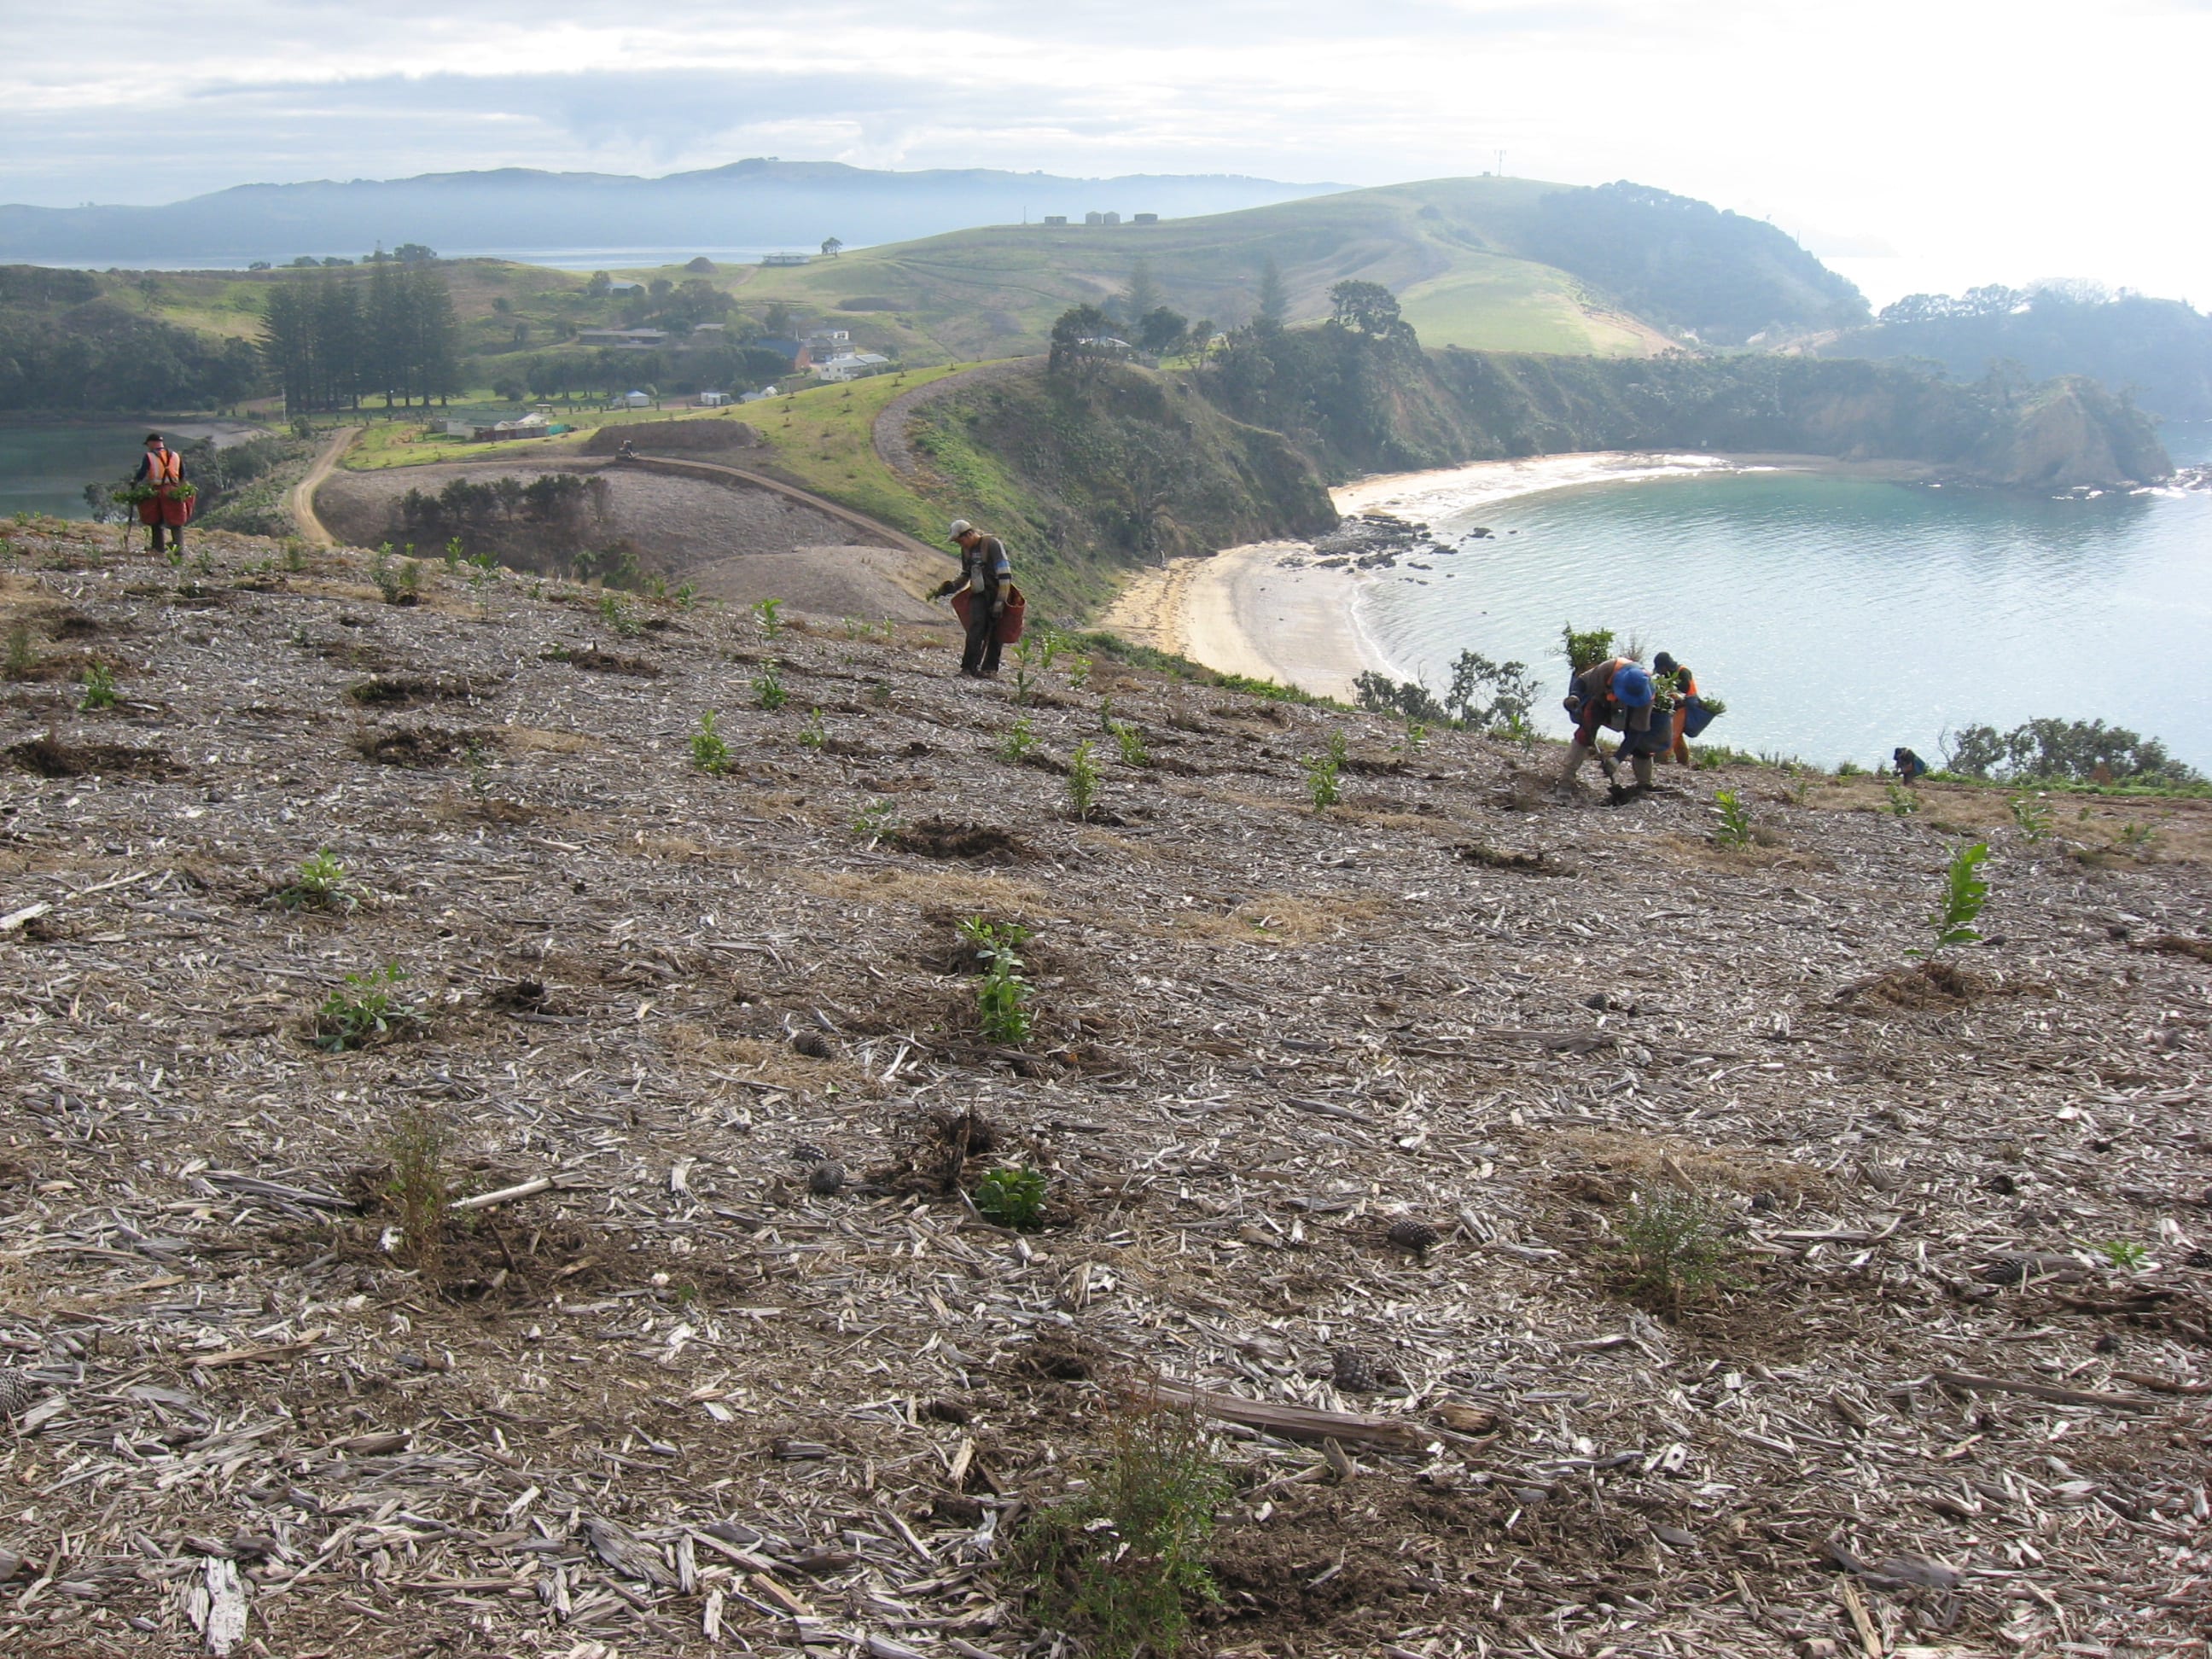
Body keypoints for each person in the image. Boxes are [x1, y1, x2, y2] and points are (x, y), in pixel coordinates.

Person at [1557, 655, 1663, 794]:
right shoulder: (1609, 669)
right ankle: (1566, 781)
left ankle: (1644, 785)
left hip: (1631, 711)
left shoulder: (1647, 697)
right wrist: (1574, 696)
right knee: (1585, 734)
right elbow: (1581, 682)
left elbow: (1636, 731)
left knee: (1641, 745)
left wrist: (1617, 759)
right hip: (1601, 702)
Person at [928, 518, 1013, 678]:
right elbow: (966, 574)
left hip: (998, 592)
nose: (960, 545)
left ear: (969, 534)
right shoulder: (966, 550)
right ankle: (968, 668)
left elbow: (1005, 575)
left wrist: (1000, 602)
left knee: (996, 632)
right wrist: (952, 587)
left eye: (960, 541)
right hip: (979, 593)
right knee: (976, 628)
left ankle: (990, 669)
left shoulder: (992, 544)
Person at [133, 432, 187, 557]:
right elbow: (183, 474)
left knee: (155, 519)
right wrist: (182, 490)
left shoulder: (150, 456)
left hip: (157, 491)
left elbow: (142, 473)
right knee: (176, 520)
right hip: (174, 490)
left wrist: (134, 483)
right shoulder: (175, 455)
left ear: (152, 443)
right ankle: (179, 548)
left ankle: (158, 547)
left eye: (148, 444)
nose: (148, 447)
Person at [1655, 651, 1697, 766]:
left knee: (1671, 734)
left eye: (1661, 668)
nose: (1660, 671)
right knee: (1677, 737)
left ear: (1666, 665)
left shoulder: (1683, 672)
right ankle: (1683, 761)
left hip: (1684, 708)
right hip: (1674, 708)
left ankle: (1661, 759)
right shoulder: (1668, 675)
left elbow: (1686, 687)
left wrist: (1671, 684)